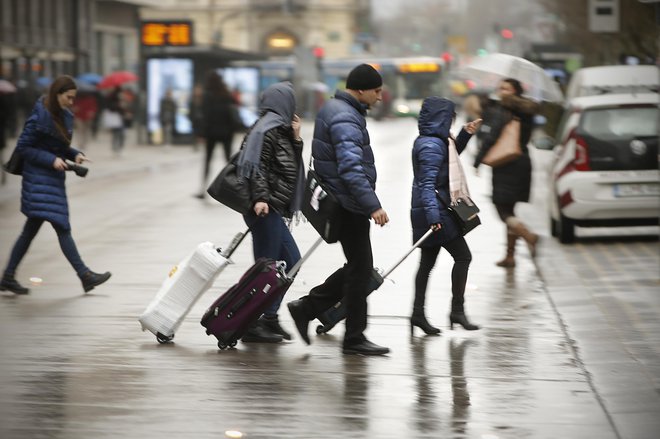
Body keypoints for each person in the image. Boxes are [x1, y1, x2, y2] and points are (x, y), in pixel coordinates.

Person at [287, 63, 391, 356]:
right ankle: (353, 337)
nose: (380, 97)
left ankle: (307, 308)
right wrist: (373, 205)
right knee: (361, 271)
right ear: (360, 90)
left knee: (359, 268)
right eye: (377, 91)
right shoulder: (346, 117)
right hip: (348, 203)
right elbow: (350, 167)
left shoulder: (336, 109)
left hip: (342, 200)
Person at [0, 75, 111, 295]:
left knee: (30, 231)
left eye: (73, 98)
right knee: (62, 227)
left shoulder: (63, 115)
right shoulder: (40, 116)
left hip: (50, 180)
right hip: (40, 179)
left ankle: (8, 277)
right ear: (57, 94)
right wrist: (50, 160)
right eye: (69, 97)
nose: (72, 102)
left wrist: (75, 154)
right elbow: (24, 146)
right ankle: (85, 275)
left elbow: (57, 145)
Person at [238, 82, 305, 343]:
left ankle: (269, 317)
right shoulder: (264, 131)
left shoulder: (280, 130)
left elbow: (292, 166)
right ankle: (253, 323)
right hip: (264, 207)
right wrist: (261, 198)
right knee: (267, 268)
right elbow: (258, 168)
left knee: (291, 261)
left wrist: (296, 138)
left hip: (274, 206)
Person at [410, 97, 482, 335]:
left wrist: (464, 135)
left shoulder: (437, 141)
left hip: (434, 210)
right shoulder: (431, 145)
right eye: (451, 116)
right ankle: (456, 311)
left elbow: (447, 163)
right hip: (435, 211)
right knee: (463, 257)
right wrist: (433, 217)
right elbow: (427, 184)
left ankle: (418, 314)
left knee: (427, 264)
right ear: (442, 117)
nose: (453, 120)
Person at [473, 78, 540, 268]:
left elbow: (492, 137)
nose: (501, 90)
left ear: (515, 92)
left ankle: (528, 235)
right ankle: (510, 256)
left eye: (506, 88)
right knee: (510, 209)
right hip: (522, 161)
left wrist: (478, 160)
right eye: (500, 87)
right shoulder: (527, 110)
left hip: (506, 163)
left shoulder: (505, 110)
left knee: (502, 209)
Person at [195, 72, 239, 198]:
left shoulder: (207, 96)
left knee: (208, 160)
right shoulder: (227, 94)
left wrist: (201, 133)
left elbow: (205, 116)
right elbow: (233, 112)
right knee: (228, 161)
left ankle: (202, 189)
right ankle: (234, 190)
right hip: (226, 133)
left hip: (211, 133)